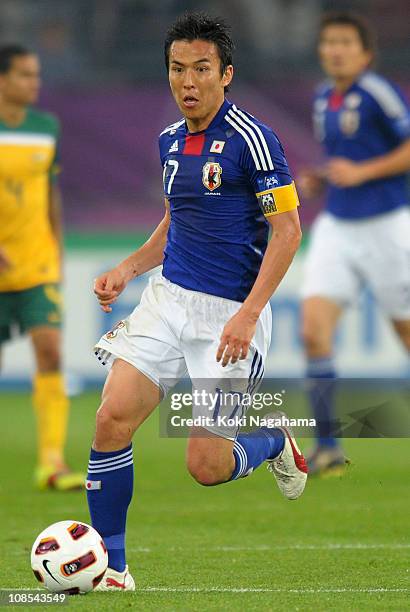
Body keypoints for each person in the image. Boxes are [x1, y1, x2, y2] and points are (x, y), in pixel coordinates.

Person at [88, 12, 307, 591]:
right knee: (111, 419)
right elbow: (176, 220)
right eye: (178, 69)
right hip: (169, 301)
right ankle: (112, 568)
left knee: (205, 467)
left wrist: (249, 313)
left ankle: (271, 439)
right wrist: (129, 268)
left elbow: (287, 232)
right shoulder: (168, 141)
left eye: (202, 70)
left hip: (229, 317)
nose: (188, 82)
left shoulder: (252, 140)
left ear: (226, 74)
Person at [298, 12, 410, 475]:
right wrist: (323, 178)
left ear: (365, 53)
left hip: (387, 227)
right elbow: (345, 159)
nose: (335, 49)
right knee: (312, 331)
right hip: (337, 228)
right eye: (328, 42)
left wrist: (361, 173)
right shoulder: (324, 97)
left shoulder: (379, 92)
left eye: (345, 42)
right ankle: (327, 447)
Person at [0, 45, 83, 491]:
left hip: (37, 265)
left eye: (37, 75)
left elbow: (51, 194)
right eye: (26, 75)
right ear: (2, 80)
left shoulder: (45, 127)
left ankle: (50, 462)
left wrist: (58, 251)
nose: (35, 83)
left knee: (50, 351)